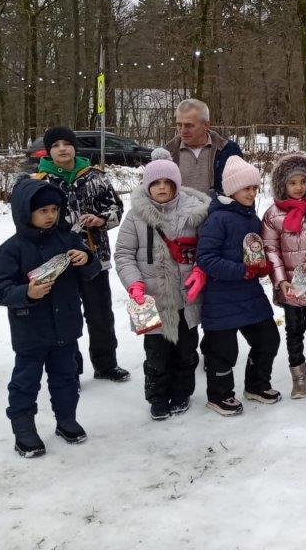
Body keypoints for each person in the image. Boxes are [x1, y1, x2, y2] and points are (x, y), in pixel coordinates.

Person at [0, 178, 102, 458]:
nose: (50, 215)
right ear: (25, 212)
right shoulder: (12, 248)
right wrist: (26, 293)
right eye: (43, 211)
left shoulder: (68, 238)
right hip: (31, 329)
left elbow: (92, 272)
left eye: (54, 209)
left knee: (66, 377)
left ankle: (66, 420)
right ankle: (24, 428)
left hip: (65, 325)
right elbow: (1, 290)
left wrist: (86, 259)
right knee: (26, 381)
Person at [114, 152, 210, 420]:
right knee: (157, 354)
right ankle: (157, 396)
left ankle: (182, 392)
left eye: (168, 182)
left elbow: (206, 248)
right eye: (156, 183)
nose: (162, 188)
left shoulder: (194, 212)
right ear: (147, 186)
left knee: (186, 351)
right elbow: (123, 254)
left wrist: (200, 271)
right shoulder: (136, 217)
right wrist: (134, 284)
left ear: (177, 184)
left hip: (186, 298)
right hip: (152, 299)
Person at [31, 126, 129, 382]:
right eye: (56, 145)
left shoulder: (96, 176)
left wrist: (101, 219)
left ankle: (106, 365)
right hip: (59, 261)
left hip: (95, 257)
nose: (62, 149)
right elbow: (30, 220)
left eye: (67, 143)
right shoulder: (39, 182)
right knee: (66, 317)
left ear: (75, 147)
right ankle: (69, 370)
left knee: (101, 315)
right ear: (48, 151)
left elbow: (116, 209)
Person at [196, 155, 280, 417]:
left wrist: (262, 266)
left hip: (249, 295)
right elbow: (206, 259)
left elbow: (255, 252)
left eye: (255, 188)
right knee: (223, 351)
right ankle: (219, 395)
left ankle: (257, 384)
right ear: (231, 189)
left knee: (268, 339)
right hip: (221, 298)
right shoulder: (217, 219)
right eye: (247, 188)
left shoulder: (252, 219)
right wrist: (243, 271)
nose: (252, 193)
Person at [262, 152, 306, 403]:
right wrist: (281, 279)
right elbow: (271, 249)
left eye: (303, 182)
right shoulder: (273, 215)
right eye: (292, 183)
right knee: (293, 331)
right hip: (291, 287)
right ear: (283, 184)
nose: (298, 187)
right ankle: (299, 379)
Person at [163, 98, 243, 195]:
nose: (182, 130)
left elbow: (243, 191)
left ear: (206, 125)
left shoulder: (229, 151)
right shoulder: (167, 154)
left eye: (189, 125)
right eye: (179, 125)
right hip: (180, 210)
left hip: (219, 209)